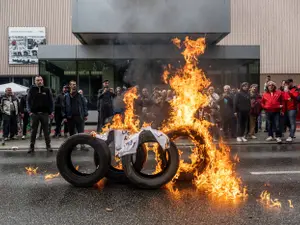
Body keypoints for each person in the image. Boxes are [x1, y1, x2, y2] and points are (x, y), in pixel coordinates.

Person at [27, 75, 54, 153]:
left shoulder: (47, 90)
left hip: (45, 114)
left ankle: (48, 146)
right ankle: (31, 147)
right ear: (35, 81)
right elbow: (28, 101)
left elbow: (51, 101)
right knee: (33, 131)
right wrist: (30, 112)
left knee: (46, 131)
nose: (39, 81)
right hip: (34, 114)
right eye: (37, 80)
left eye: (41, 80)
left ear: (43, 81)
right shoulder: (31, 90)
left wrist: (51, 112)